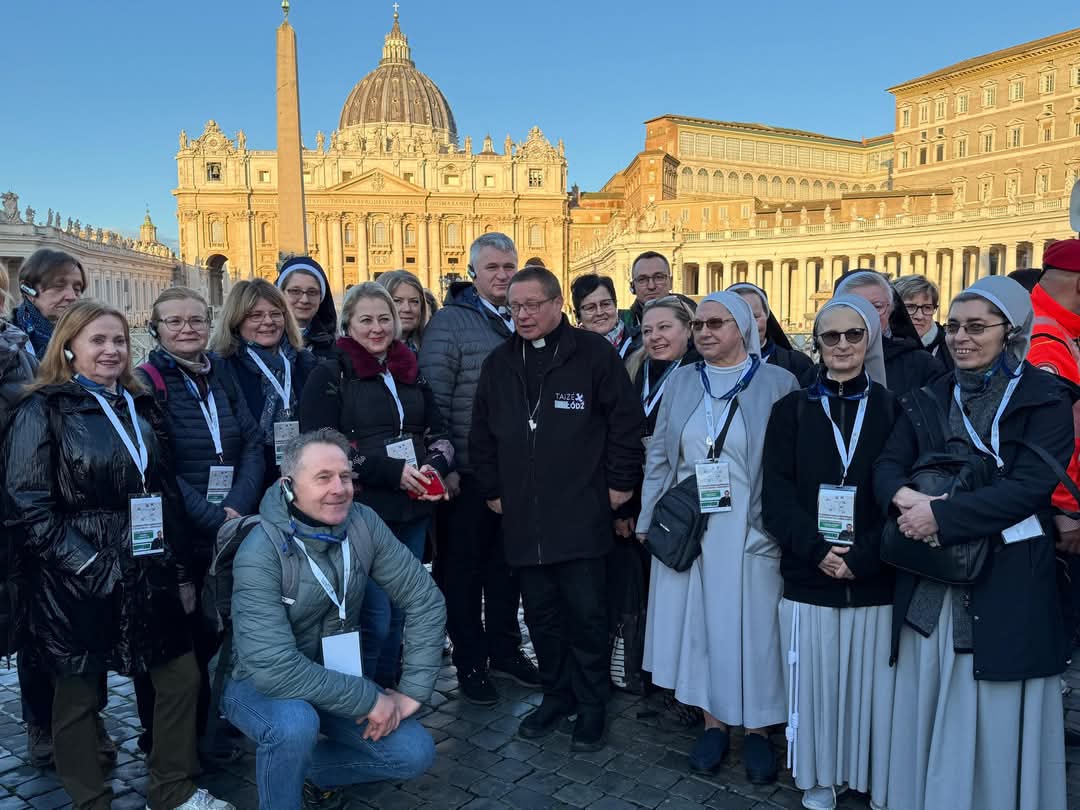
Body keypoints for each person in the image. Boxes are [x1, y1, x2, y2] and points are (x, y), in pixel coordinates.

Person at [2, 300, 232, 810]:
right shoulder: (41, 409)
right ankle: (91, 800)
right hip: (74, 577)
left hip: (149, 564)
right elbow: (27, 504)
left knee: (181, 677)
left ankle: (171, 787)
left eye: (119, 341)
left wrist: (179, 573)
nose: (111, 350)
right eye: (98, 340)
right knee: (79, 695)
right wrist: (90, 564)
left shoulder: (139, 404)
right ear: (68, 347)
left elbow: (165, 494)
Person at [873, 276, 1071, 810]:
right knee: (931, 693)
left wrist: (940, 516)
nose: (961, 337)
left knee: (993, 707)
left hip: (1008, 576)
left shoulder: (1046, 398)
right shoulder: (932, 393)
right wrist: (903, 499)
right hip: (931, 577)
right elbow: (888, 462)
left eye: (977, 327)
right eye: (955, 326)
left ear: (1011, 332)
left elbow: (1028, 488)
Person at [471, 266, 645, 750]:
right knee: (541, 616)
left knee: (587, 615)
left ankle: (591, 704)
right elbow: (481, 432)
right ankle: (556, 693)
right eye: (515, 307)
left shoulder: (593, 355)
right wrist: (491, 488)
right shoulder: (499, 362)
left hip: (581, 512)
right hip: (525, 518)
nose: (522, 315)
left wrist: (620, 486)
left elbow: (625, 424)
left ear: (556, 305)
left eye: (532, 305)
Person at [222, 429, 443, 808]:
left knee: (413, 752)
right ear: (289, 486)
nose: (339, 489)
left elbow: (425, 598)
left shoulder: (363, 523)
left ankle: (307, 773)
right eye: (323, 478)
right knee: (295, 725)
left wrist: (411, 694)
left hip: (330, 675)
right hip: (254, 679)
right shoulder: (261, 549)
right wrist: (367, 699)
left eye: (345, 476)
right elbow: (274, 668)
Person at [638, 292, 799, 782]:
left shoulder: (778, 382)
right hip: (693, 526)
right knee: (701, 628)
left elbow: (791, 465)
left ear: (743, 328)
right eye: (699, 324)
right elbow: (662, 455)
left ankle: (758, 729)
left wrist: (778, 530)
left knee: (756, 631)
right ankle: (712, 723)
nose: (705, 332)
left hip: (752, 528)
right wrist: (648, 518)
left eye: (716, 323)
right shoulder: (682, 380)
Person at [763, 295, 898, 810]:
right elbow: (776, 496)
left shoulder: (894, 409)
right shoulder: (791, 410)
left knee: (869, 688)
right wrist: (819, 551)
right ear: (816, 344)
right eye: (831, 336)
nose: (842, 345)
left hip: (872, 575)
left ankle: (866, 773)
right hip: (809, 572)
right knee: (815, 687)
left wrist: (861, 557)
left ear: (869, 340)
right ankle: (819, 773)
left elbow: (900, 494)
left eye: (853, 334)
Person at [133, 287, 265, 760]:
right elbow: (157, 466)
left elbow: (252, 442)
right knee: (175, 637)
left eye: (196, 320)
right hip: (180, 531)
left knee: (213, 631)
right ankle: (165, 740)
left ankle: (206, 728)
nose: (187, 329)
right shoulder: (146, 382)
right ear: (156, 329)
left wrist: (238, 504)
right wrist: (214, 517)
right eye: (174, 321)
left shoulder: (221, 373)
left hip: (226, 521)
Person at [299, 282, 451, 686]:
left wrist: (434, 466)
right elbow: (321, 444)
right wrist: (390, 471)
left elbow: (438, 431)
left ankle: (387, 690)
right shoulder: (330, 372)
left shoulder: (409, 368)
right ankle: (360, 698)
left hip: (412, 507)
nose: (377, 328)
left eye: (385, 318)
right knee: (374, 616)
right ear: (348, 324)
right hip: (361, 513)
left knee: (400, 611)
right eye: (366, 320)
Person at [418, 233, 538, 705]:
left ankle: (505, 650)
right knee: (463, 574)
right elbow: (435, 399)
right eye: (493, 268)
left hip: (516, 474)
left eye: (509, 266)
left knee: (508, 570)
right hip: (466, 475)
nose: (503, 275)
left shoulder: (525, 318)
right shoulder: (450, 323)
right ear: (473, 274)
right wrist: (445, 466)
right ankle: (470, 661)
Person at [211, 278, 318, 488]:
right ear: (236, 320)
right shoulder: (222, 367)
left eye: (276, 314)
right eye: (256, 315)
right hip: (246, 478)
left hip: (303, 474)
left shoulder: (305, 362)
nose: (268, 321)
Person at [835, 270, 944, 394]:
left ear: (891, 309)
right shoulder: (823, 365)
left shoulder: (925, 365)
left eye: (877, 306)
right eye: (857, 306)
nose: (868, 313)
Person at [728, 281, 814, 381]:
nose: (749, 325)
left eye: (755, 316)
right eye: (738, 318)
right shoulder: (713, 364)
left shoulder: (797, 363)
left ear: (766, 316)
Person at [13, 248, 85, 357]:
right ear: (28, 291)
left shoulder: (94, 336)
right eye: (59, 286)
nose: (72, 296)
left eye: (77, 289)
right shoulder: (6, 341)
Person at [571, 274, 641, 371]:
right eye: (590, 308)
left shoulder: (641, 344)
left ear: (615, 305)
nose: (599, 312)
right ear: (577, 315)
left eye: (605, 304)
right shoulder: (567, 353)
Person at [275, 256, 338, 360]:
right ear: (281, 293)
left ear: (321, 297)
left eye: (312, 292)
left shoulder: (336, 346)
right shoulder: (263, 340)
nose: (304, 300)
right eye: (295, 291)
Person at [893, 274, 953, 370]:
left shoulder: (951, 349)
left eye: (927, 307)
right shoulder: (880, 347)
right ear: (893, 308)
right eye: (910, 307)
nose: (920, 316)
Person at [622, 252, 696, 329]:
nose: (651, 286)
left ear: (671, 282)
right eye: (642, 279)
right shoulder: (622, 326)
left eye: (659, 277)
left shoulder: (697, 317)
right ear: (632, 286)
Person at [377, 270, 430, 352]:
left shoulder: (433, 347)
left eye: (414, 301)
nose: (407, 309)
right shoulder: (363, 352)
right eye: (397, 301)